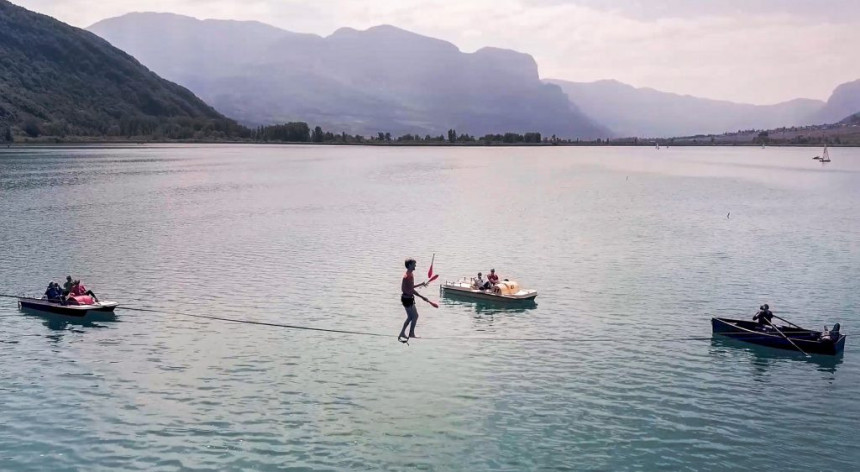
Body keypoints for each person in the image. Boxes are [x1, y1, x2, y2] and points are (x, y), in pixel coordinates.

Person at [398, 258, 426, 342]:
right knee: (415, 316)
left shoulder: (409, 274)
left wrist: (421, 284)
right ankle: (411, 333)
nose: (415, 265)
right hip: (408, 299)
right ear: (409, 265)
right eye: (414, 264)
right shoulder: (408, 276)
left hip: (405, 298)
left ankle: (402, 333)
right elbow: (411, 290)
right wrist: (422, 297)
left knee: (410, 317)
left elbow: (410, 287)